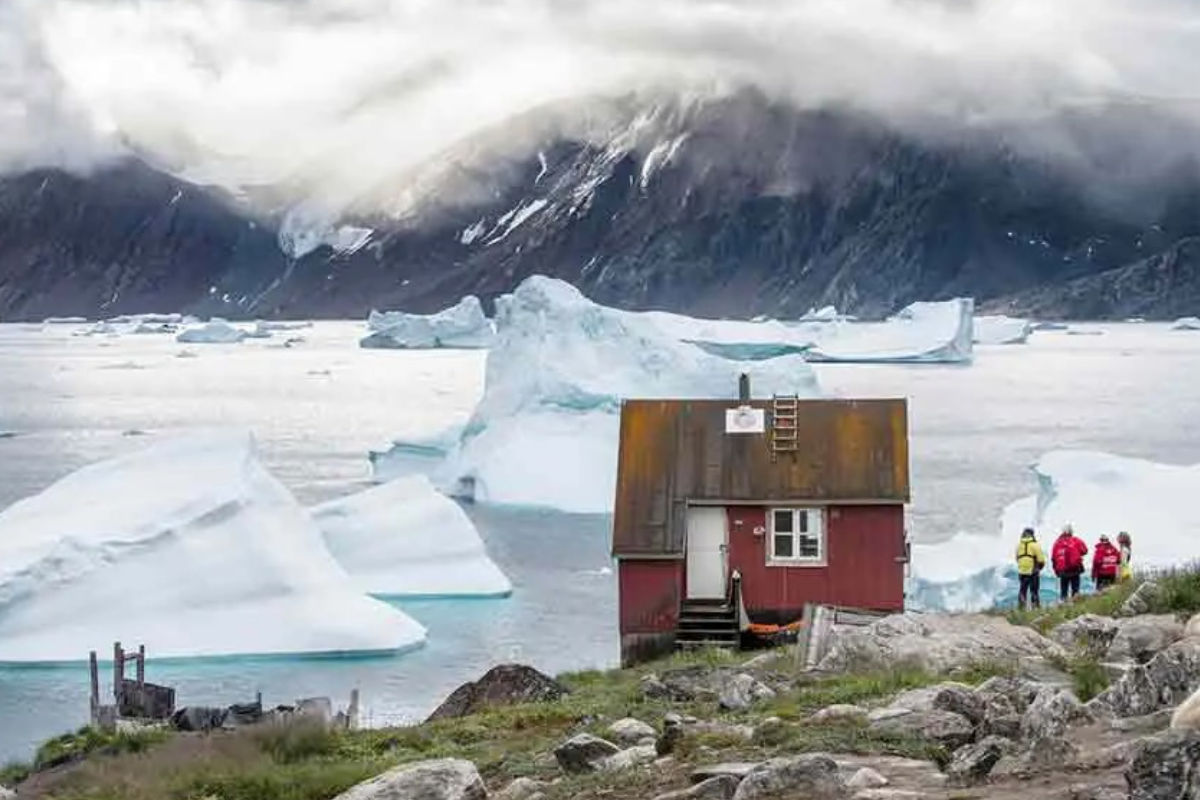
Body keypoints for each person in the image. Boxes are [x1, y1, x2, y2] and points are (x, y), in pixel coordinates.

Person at [1051, 524, 1088, 601]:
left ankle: (1063, 605)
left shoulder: (1057, 543)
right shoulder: (1076, 540)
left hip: (1063, 571)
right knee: (1075, 590)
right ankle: (1076, 605)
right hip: (1075, 569)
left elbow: (1053, 558)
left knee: (1064, 591)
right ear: (1071, 532)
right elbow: (1085, 550)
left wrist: (1056, 570)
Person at [1015, 527, 1046, 610]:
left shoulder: (1019, 546)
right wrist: (1040, 568)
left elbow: (1017, 558)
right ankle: (1035, 607)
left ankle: (1021, 608)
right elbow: (1041, 560)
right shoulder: (1035, 545)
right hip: (1033, 571)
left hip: (1022, 571)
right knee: (1034, 591)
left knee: (1022, 590)